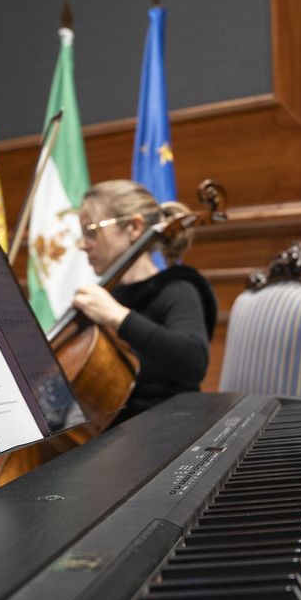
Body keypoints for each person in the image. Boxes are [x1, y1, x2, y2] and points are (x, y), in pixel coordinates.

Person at [69, 179, 217, 425]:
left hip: (172, 431)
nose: (83, 245)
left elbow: (193, 362)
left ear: (134, 228)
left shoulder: (177, 289)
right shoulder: (109, 297)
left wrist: (117, 316)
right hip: (116, 433)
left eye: (91, 231)